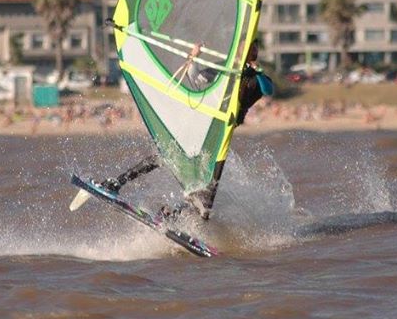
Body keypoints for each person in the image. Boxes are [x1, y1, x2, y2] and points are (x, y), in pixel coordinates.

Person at [96, 39, 272, 220]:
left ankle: (174, 216)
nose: (251, 51)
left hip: (218, 133)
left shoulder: (256, 79)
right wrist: (193, 57)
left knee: (204, 180)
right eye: (248, 48)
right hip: (201, 124)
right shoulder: (225, 69)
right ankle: (116, 183)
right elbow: (196, 77)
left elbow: (268, 89)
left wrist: (256, 69)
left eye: (253, 49)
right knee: (165, 155)